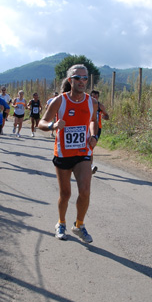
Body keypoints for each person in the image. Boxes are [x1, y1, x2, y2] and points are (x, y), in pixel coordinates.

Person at [38, 65, 98, 243]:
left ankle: (79, 225)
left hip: (83, 152)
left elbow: (93, 120)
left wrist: (93, 135)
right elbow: (42, 122)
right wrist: (52, 126)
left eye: (85, 78)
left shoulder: (91, 102)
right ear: (70, 80)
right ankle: (61, 223)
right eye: (78, 78)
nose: (82, 81)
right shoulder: (60, 100)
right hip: (63, 153)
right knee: (65, 194)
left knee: (85, 191)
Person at [90, 89, 109, 174]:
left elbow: (107, 115)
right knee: (87, 147)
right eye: (93, 96)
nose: (95, 98)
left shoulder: (100, 106)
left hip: (97, 128)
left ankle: (90, 166)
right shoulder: (85, 104)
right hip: (86, 127)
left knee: (91, 146)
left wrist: (104, 117)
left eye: (96, 97)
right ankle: (88, 165)